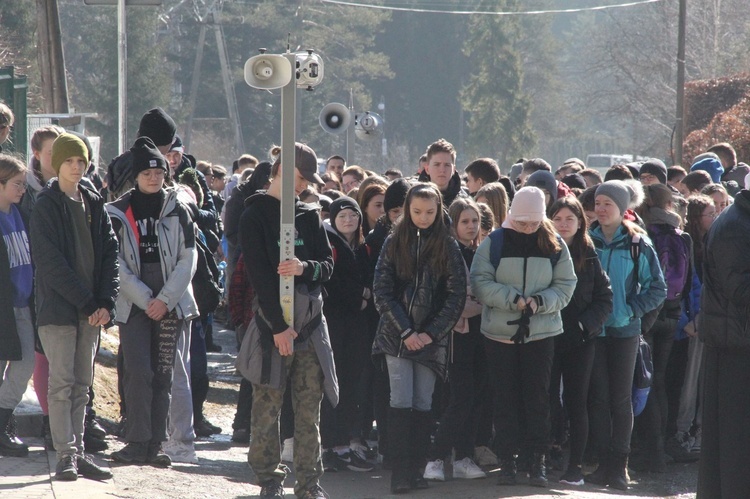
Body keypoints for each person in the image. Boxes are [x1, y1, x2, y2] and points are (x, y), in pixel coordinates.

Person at [238, 143, 337, 499]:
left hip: (309, 326)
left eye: (308, 180)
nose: (303, 186)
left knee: (309, 411)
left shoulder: (310, 215)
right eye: (299, 177)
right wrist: (279, 327)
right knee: (267, 406)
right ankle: (268, 479)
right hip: (271, 324)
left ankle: (309, 484)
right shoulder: (255, 215)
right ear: (280, 170)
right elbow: (259, 274)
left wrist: (304, 267)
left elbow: (327, 264)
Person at [471, 186, 577, 488]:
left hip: (541, 334)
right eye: (522, 222)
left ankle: (536, 461)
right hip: (499, 334)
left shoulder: (554, 242)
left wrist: (540, 302)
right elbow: (480, 281)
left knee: (538, 399)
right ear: (511, 217)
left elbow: (566, 284)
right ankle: (507, 460)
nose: (528, 228)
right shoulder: (494, 242)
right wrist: (512, 299)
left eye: (533, 222)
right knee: (505, 399)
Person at [30, 133, 118, 481]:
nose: (76, 167)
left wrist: (106, 301)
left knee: (83, 384)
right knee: (61, 383)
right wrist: (88, 301)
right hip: (60, 311)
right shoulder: (46, 205)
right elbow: (51, 263)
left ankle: (78, 453)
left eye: (81, 161)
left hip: (92, 312)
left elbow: (111, 255)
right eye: (69, 161)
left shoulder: (95, 202)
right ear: (56, 164)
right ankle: (65, 453)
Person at [107, 137, 198, 467]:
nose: (154, 177)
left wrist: (165, 299)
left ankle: (156, 443)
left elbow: (189, 258)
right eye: (147, 172)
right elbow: (114, 263)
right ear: (136, 175)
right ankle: (136, 439)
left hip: (170, 302)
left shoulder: (179, 209)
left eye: (159, 171)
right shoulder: (116, 212)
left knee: (163, 373)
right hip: (134, 304)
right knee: (138, 372)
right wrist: (146, 299)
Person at [372, 183, 466, 494]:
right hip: (395, 336)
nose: (423, 217)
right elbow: (382, 290)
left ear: (439, 210)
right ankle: (400, 472)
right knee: (400, 401)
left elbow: (456, 296)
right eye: (416, 212)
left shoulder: (448, 246)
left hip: (430, 339)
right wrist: (407, 331)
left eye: (429, 211)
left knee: (423, 403)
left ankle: (416, 470)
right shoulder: (393, 240)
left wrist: (428, 334)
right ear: (407, 210)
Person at [586, 180, 666, 491]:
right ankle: (602, 463)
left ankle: (619, 466)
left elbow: (658, 288)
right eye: (598, 202)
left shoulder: (638, 244)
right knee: (598, 399)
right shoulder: (586, 241)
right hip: (594, 331)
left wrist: (632, 310)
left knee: (620, 400)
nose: (602, 208)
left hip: (624, 332)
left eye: (609, 203)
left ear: (623, 209)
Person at [548, 196, 613, 485]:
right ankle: (543, 456)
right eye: (558, 218)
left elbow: (604, 298)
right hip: (545, 337)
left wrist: (583, 324)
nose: (563, 224)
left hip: (580, 339)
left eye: (569, 219)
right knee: (545, 398)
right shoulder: (541, 249)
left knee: (577, 401)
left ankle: (575, 466)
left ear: (579, 223)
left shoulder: (588, 254)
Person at [423, 198, 487, 482]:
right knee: (460, 398)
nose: (471, 226)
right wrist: (483, 302)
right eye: (465, 221)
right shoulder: (447, 254)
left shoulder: (482, 253)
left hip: (481, 335)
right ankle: (435, 457)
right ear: (453, 224)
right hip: (454, 336)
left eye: (475, 221)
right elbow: (451, 299)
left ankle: (463, 457)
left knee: (474, 399)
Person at [631, 183, 692, 473]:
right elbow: (689, 279)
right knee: (661, 382)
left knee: (645, 381)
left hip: (648, 314)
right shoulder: (682, 236)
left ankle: (649, 450)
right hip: (673, 314)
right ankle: (661, 447)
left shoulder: (643, 234)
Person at [696, 183, 750, 498]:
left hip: (737, 342)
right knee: (735, 444)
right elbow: (740, 291)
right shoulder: (735, 227)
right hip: (736, 348)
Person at [320, 196, 374, 472]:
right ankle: (329, 446)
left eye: (353, 215)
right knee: (333, 384)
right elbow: (331, 284)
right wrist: (360, 295)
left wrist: (366, 295)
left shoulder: (362, 247)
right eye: (342, 216)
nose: (348, 220)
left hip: (356, 328)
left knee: (351, 384)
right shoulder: (329, 245)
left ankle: (342, 444)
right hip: (335, 325)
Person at [0, 155, 34, 457]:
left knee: (25, 366)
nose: (22, 189)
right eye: (16, 184)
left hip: (23, 305)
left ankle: (3, 420)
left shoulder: (19, 214)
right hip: (4, 308)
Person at [418, 139, 468, 207]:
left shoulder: (464, 202)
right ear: (427, 169)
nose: (442, 170)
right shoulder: (415, 199)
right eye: (437, 164)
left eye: (447, 165)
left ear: (453, 169)